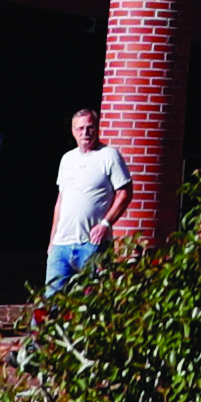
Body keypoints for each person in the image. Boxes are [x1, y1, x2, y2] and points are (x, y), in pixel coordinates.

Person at [46, 109, 128, 295]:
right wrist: (52, 240)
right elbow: (61, 201)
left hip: (92, 244)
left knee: (92, 299)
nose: (85, 133)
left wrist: (105, 224)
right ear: (73, 131)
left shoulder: (110, 156)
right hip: (61, 244)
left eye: (90, 128)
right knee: (50, 300)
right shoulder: (67, 159)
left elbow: (124, 193)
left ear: (97, 129)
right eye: (80, 128)